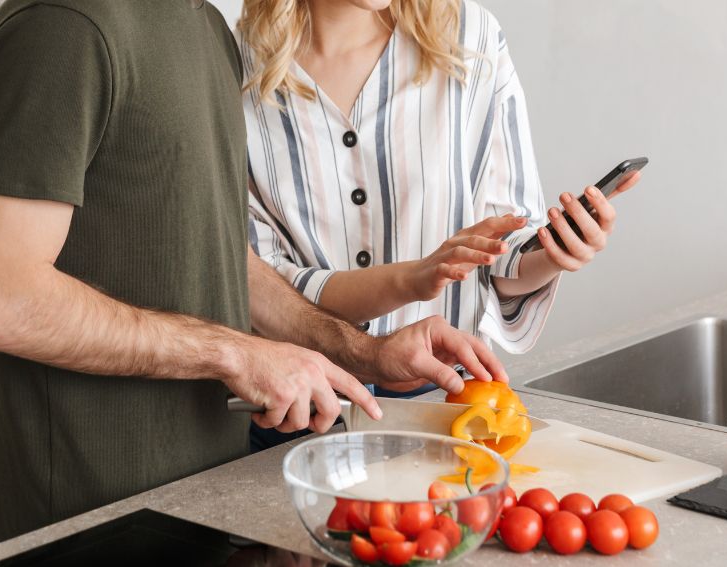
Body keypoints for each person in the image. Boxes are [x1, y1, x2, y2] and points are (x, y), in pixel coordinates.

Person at [0, 0, 506, 545]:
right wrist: (231, 353)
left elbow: (222, 253)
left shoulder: (204, 24)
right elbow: (2, 291)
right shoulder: (63, 25)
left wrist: (364, 353)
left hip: (204, 500)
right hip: (85, 520)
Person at [238, 0, 640, 449]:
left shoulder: (469, 38)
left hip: (454, 411)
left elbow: (499, 251)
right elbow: (262, 284)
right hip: (303, 417)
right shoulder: (236, 69)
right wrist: (409, 280)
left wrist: (553, 253)